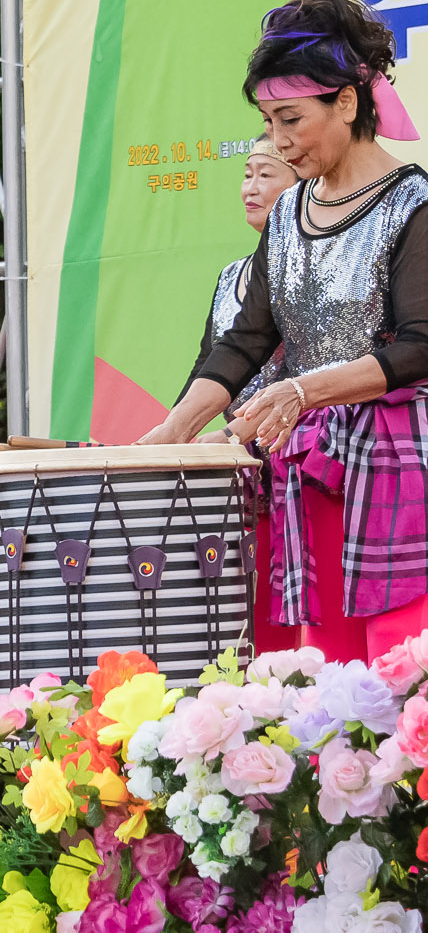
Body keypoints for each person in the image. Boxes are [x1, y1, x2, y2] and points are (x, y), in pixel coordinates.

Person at [141, 0, 428, 660]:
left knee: (403, 669)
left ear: (348, 102)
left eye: (291, 119)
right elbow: (247, 338)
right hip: (310, 464)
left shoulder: (413, 202)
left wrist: (305, 389)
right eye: (269, 121)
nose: (279, 139)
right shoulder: (290, 211)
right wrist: (174, 430)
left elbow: (422, 346)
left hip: (395, 468)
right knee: (329, 675)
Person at [182, 133, 300, 653]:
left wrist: (231, 436)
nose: (250, 187)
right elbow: (209, 368)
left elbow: (293, 369)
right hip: (232, 468)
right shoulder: (233, 275)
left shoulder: (305, 269)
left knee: (285, 609)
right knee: (234, 617)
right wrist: (173, 435)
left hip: (286, 454)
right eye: (246, 174)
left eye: (266, 175)